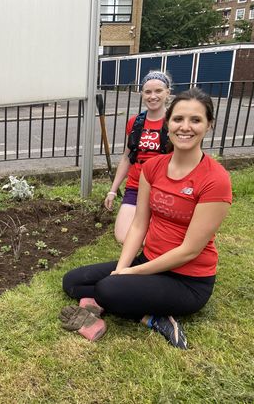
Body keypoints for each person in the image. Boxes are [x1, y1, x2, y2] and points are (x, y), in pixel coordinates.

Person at [61, 88, 232, 349]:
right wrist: (122, 267)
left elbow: (189, 250)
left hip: (187, 280)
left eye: (195, 120)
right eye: (178, 119)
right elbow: (139, 224)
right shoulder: (152, 168)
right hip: (150, 260)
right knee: (73, 281)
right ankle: (133, 300)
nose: (185, 127)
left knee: (107, 290)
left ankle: (156, 319)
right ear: (168, 123)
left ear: (209, 125)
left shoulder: (215, 179)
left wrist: (129, 274)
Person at [105, 71, 172, 243]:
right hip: (135, 185)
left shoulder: (174, 122)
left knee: (148, 238)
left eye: (158, 91)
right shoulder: (135, 122)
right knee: (122, 237)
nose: (153, 96)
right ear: (142, 94)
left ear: (167, 93)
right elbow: (127, 157)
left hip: (161, 187)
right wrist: (113, 190)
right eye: (148, 92)